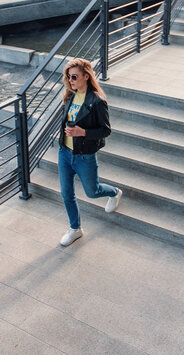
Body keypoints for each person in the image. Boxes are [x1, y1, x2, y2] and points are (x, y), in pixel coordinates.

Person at [58, 58, 123, 246]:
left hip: (85, 156)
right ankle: (75, 228)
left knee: (92, 192)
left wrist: (82, 132)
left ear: (86, 76)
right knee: (66, 193)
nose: (70, 80)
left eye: (74, 77)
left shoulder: (97, 101)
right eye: (68, 77)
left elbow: (106, 130)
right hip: (65, 152)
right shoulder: (70, 95)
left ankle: (115, 192)